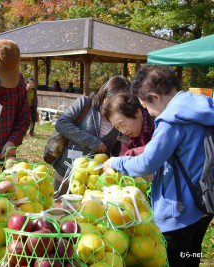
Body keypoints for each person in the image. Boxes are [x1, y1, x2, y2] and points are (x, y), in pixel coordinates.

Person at [103, 66, 214, 267]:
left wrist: (116, 162)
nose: (149, 113)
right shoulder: (204, 107)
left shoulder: (172, 119)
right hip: (204, 203)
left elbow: (148, 162)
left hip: (178, 214)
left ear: (155, 97)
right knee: (192, 256)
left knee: (174, 260)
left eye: (146, 107)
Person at [52, 76, 130, 196]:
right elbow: (62, 124)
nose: (114, 107)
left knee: (86, 213)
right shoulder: (84, 103)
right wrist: (93, 142)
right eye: (112, 102)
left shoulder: (120, 120)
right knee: (59, 210)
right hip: (66, 172)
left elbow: (117, 150)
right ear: (104, 95)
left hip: (94, 182)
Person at [101, 90, 155, 156]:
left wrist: (129, 155)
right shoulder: (125, 137)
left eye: (123, 124)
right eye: (117, 127)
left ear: (137, 112)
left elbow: (155, 149)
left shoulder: (158, 124)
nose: (123, 131)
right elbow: (123, 155)